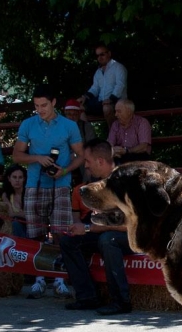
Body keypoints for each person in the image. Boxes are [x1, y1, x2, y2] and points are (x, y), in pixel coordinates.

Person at [12, 84, 85, 299]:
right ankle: (39, 279)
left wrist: (64, 170)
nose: (40, 109)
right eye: (36, 106)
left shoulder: (68, 126)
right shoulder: (28, 124)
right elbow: (17, 155)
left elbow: (81, 155)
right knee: (36, 232)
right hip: (34, 182)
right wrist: (37, 158)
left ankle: (61, 279)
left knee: (60, 232)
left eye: (44, 105)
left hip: (61, 183)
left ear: (53, 103)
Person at [60, 139, 135, 316]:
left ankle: (121, 301)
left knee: (108, 240)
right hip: (110, 231)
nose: (85, 166)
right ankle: (88, 297)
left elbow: (127, 225)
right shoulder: (99, 184)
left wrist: (87, 229)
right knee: (68, 241)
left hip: (135, 235)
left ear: (100, 162)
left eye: (87, 161)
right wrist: (81, 227)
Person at [79, 44, 127, 128]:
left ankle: (114, 137)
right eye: (97, 55)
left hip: (117, 102)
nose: (99, 57)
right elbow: (95, 89)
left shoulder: (118, 67)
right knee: (79, 107)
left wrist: (111, 99)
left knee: (107, 108)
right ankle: (89, 136)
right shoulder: (98, 72)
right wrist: (85, 97)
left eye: (102, 54)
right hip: (101, 103)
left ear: (109, 53)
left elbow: (120, 85)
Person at [107, 98, 151, 163]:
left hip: (139, 157)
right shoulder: (115, 124)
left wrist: (126, 151)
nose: (116, 114)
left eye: (119, 111)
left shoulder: (142, 122)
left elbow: (143, 147)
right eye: (115, 111)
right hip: (119, 156)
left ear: (129, 112)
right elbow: (109, 143)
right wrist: (113, 150)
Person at [64, 98, 96, 182]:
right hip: (65, 158)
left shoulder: (86, 127)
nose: (72, 117)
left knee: (89, 163)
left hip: (82, 157)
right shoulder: (59, 128)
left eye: (74, 114)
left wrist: (75, 155)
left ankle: (86, 188)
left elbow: (92, 145)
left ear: (79, 114)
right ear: (65, 115)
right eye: (69, 114)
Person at [0, 164, 27, 238]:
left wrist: (16, 214)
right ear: (9, 178)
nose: (17, 180)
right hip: (16, 226)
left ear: (24, 179)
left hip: (32, 226)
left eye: (20, 177)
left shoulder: (29, 192)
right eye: (14, 177)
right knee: (15, 224)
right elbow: (10, 214)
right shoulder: (6, 195)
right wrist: (24, 214)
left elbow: (33, 217)